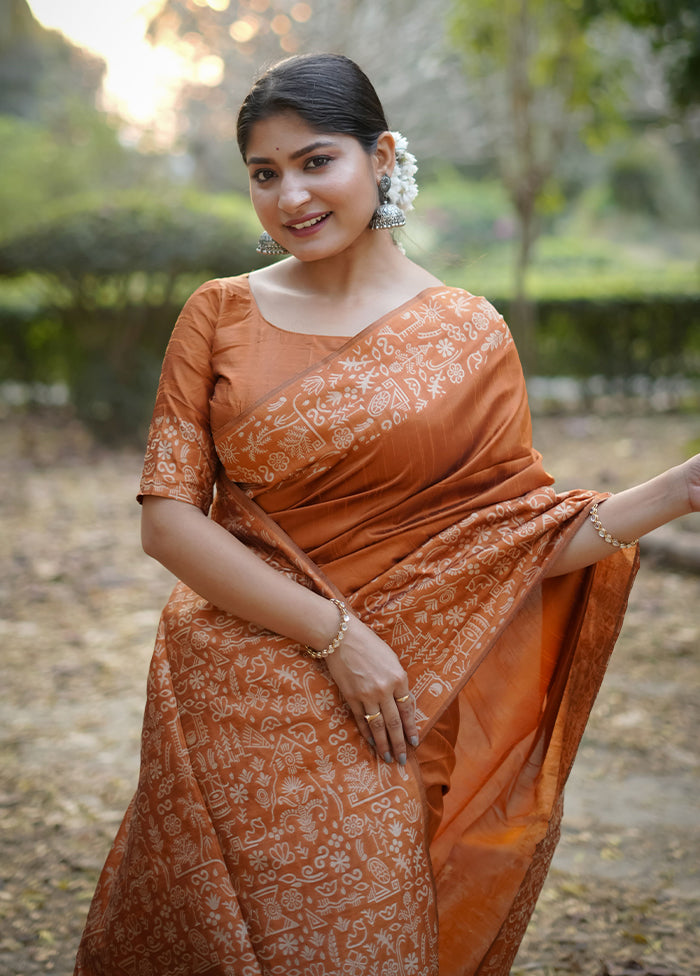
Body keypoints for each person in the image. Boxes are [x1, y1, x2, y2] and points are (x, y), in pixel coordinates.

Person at [74, 53, 700, 976]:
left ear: (382, 157)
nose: (290, 195)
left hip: (400, 699)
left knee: (359, 941)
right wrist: (337, 635)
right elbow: (168, 520)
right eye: (264, 172)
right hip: (237, 690)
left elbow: (513, 541)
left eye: (315, 161)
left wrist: (678, 490)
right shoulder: (218, 315)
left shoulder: (467, 334)